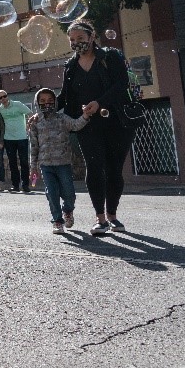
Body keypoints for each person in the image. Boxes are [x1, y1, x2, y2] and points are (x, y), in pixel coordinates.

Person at [56, 21, 136, 236]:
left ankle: (112, 215)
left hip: (116, 122)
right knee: (94, 166)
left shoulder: (110, 57)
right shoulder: (70, 66)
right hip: (87, 124)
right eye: (72, 40)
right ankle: (100, 218)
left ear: (92, 37)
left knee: (114, 169)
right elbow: (64, 97)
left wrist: (99, 103)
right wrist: (44, 110)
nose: (76, 43)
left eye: (80, 39)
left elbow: (121, 85)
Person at [29, 87, 91, 234]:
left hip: (63, 163)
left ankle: (68, 211)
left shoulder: (62, 118)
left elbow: (76, 125)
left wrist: (86, 115)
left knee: (69, 193)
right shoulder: (35, 122)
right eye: (42, 101)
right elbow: (33, 145)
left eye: (50, 101)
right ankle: (57, 220)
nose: (47, 104)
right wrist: (33, 166)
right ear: (37, 103)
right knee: (51, 193)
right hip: (46, 165)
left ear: (55, 102)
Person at [0, 89, 32, 194]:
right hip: (8, 139)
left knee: (24, 162)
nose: (3, 99)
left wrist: (29, 126)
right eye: (0, 97)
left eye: (4, 96)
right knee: (12, 163)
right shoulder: (0, 109)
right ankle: (15, 185)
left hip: (22, 138)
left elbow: (30, 114)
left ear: (7, 96)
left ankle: (25, 185)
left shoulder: (18, 104)